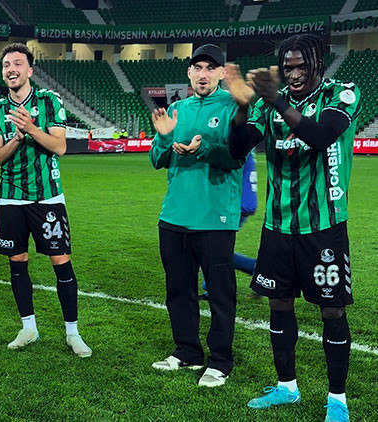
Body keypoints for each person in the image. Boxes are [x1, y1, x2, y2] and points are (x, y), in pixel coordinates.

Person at [226, 34, 360, 422]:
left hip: (324, 227)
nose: (295, 73)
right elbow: (237, 149)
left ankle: (337, 399)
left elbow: (321, 136)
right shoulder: (271, 103)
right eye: (288, 67)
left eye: (302, 66)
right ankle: (287, 387)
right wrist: (242, 108)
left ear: (319, 63)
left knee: (332, 310)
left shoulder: (341, 93)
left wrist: (276, 101)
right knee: (279, 303)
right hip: (278, 227)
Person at [0, 43, 91, 357]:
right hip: (11, 198)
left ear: (29, 70)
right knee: (17, 263)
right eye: (7, 64)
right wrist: (17, 138)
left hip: (48, 197)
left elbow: (59, 147)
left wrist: (30, 128)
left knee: (61, 263)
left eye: (18, 63)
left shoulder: (49, 101)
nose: (12, 69)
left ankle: (73, 332)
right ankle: (28, 328)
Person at [149, 44, 244, 387]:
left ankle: (220, 361)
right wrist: (164, 139)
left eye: (210, 68)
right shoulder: (177, 109)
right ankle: (187, 351)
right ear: (189, 73)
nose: (203, 74)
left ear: (221, 73)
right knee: (178, 290)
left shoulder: (233, 107)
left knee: (220, 294)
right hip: (174, 215)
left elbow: (235, 157)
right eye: (198, 68)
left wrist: (201, 149)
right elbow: (156, 160)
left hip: (215, 217)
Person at [200, 150, 258, 300]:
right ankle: (211, 288)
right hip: (241, 201)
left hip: (236, 203)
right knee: (212, 246)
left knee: (213, 248)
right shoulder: (245, 148)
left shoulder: (236, 149)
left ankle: (258, 269)